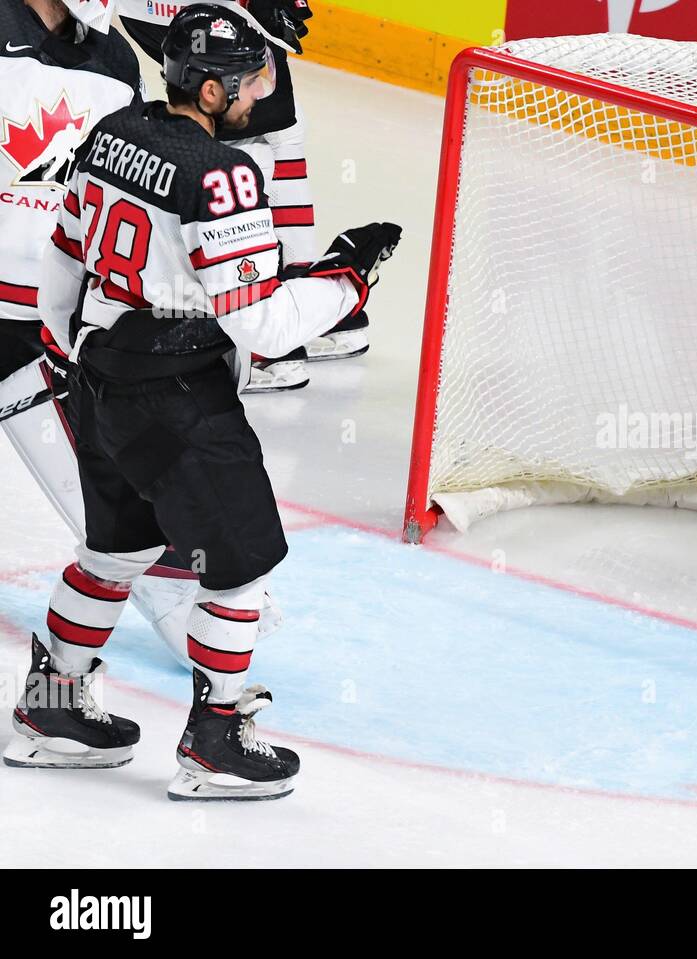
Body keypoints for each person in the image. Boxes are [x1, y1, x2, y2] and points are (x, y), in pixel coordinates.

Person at [5, 3, 402, 801]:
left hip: (104, 375)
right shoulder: (221, 174)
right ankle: (218, 739)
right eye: (249, 79)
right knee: (239, 568)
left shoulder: (111, 132)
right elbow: (262, 326)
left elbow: (62, 255)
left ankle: (49, 713)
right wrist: (348, 280)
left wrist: (69, 346)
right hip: (180, 395)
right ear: (213, 91)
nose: (261, 91)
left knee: (113, 552)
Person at [0, 0, 284, 673]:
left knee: (122, 519)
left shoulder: (115, 58)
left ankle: (63, 704)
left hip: (46, 326)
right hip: (41, 318)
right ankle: (203, 728)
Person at [118, 0, 371, 394]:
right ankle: (301, 305)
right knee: (265, 131)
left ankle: (273, 338)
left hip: (188, 15)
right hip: (189, 14)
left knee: (232, 135)